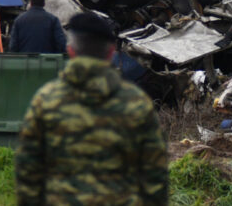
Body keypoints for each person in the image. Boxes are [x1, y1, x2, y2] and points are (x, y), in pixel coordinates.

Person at [15, 12, 168, 205]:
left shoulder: (45, 101)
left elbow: (28, 174)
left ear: (70, 51)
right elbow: (155, 179)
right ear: (111, 52)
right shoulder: (137, 103)